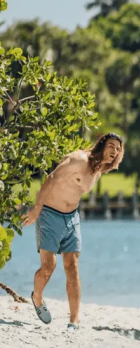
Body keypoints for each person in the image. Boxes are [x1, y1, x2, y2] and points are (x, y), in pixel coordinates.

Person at [22, 133, 125, 329]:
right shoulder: (79, 159)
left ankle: (74, 321)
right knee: (48, 268)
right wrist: (36, 209)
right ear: (102, 146)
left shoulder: (98, 170)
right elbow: (52, 178)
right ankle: (37, 297)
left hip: (72, 218)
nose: (114, 151)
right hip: (49, 215)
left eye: (118, 149)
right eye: (111, 146)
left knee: (72, 267)